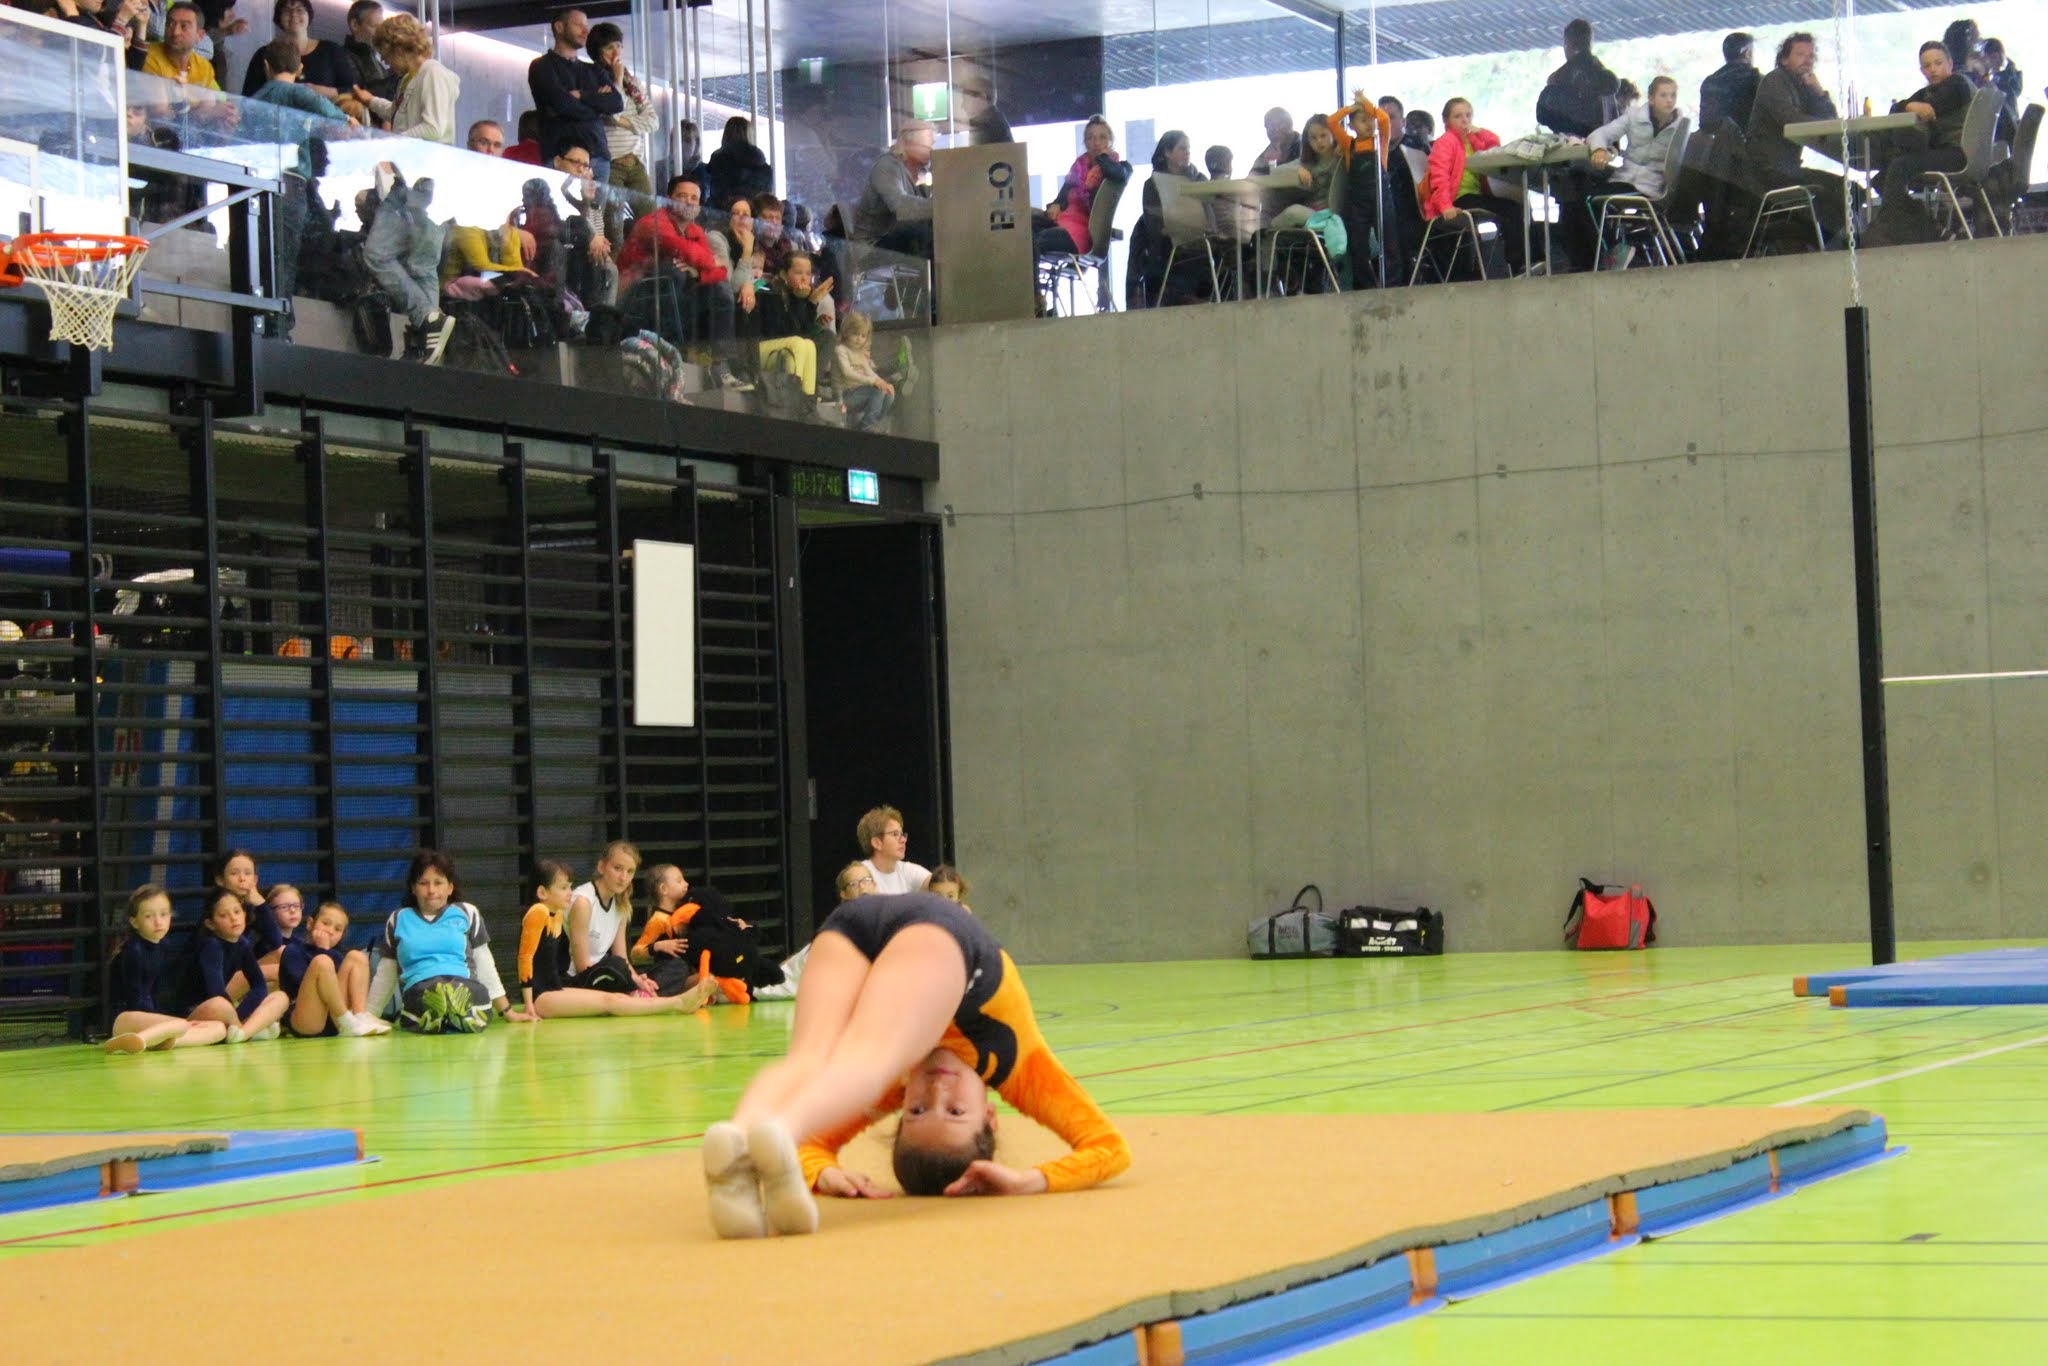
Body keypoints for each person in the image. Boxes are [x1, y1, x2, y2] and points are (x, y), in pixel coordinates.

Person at [700, 892, 1131, 1239]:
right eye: (956, 1111)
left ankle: (737, 1135)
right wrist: (1028, 1181)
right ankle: (780, 1130)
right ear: (990, 1115)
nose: (937, 1090)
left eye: (918, 1110)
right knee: (868, 1061)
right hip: (939, 937)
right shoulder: (1020, 1065)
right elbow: (1109, 1148)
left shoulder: (893, 1089)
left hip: (851, 925)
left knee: (808, 1060)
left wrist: (821, 1172)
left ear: (902, 1110)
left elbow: (816, 1145)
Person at [246, 38, 354, 336]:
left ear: (266, 66)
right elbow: (333, 116)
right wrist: (346, 119)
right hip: (291, 181)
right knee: (286, 252)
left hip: (257, 180)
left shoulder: (255, 100)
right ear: (300, 68)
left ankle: (266, 315)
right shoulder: (297, 93)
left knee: (265, 249)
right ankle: (279, 322)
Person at [365, 849, 536, 1032]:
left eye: (438, 883)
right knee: (433, 992)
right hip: (420, 989)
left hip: (464, 985)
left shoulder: (467, 913)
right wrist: (369, 1015)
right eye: (423, 883)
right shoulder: (398, 919)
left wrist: (508, 1011)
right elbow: (386, 973)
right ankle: (447, 1011)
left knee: (465, 991)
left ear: (450, 887)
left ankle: (452, 1011)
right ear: (413, 888)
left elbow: (485, 964)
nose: (431, 890)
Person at [521, 860, 715, 1017]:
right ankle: (677, 1002)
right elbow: (525, 959)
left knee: (614, 998)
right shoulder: (538, 913)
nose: (570, 893)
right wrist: (528, 1005)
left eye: (570, 887)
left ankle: (662, 999)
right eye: (564, 888)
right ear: (542, 892)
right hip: (542, 996)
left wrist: (634, 978)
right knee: (610, 1000)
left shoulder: (555, 916)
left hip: (555, 988)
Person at [617, 175, 749, 390]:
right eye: (682, 196)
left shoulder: (695, 231)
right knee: (672, 271)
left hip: (676, 302)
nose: (689, 202)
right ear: (668, 199)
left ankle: (720, 365)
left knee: (720, 288)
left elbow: (720, 272)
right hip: (638, 302)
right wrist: (704, 262)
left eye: (694, 198)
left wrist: (697, 272)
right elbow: (684, 250)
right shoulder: (651, 223)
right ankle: (676, 354)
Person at [1571, 74, 1687, 269]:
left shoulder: (1681, 127)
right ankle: (1608, 254)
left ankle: (1614, 253)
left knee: (1588, 200)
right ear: (1651, 99)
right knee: (1583, 193)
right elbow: (1601, 133)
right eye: (1663, 95)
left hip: (1652, 187)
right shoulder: (1634, 116)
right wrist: (1599, 149)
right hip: (1626, 180)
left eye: (1673, 95)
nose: (1669, 100)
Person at [1867, 41, 1978, 245]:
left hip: (1959, 154)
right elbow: (1896, 109)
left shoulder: (1958, 85)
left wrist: (1912, 106)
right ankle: (1930, 229)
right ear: (1921, 70)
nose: (1933, 69)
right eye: (1927, 66)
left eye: (1938, 63)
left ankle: (1904, 230)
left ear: (1950, 64)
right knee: (1882, 179)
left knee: (1898, 167)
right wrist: (1910, 105)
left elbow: (1932, 108)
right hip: (1947, 153)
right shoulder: (1930, 91)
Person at [1745, 31, 1849, 244]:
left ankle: (1814, 240)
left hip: (1789, 168)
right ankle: (1814, 241)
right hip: (1769, 170)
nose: (1807, 60)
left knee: (1850, 190)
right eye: (1800, 54)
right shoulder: (1775, 81)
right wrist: (1819, 120)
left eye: (1811, 56)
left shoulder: (1803, 85)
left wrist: (1819, 91)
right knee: (1840, 191)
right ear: (1784, 59)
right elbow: (1790, 120)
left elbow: (1830, 119)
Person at [103, 884, 231, 1053]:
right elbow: (136, 1000)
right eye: (149, 916)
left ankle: (160, 1041)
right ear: (134, 922)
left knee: (218, 1028)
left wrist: (171, 1022)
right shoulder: (132, 952)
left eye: (163, 914)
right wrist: (171, 1022)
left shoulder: (163, 946)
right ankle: (138, 1039)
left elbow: (156, 993)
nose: (158, 922)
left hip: (151, 1020)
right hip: (124, 1019)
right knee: (180, 1025)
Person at [362, 161, 455, 362]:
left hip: (421, 179)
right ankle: (426, 337)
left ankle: (426, 329)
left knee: (390, 257)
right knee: (416, 265)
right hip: (423, 184)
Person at [1423, 98, 1523, 275]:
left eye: (1468, 115)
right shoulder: (1445, 142)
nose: (1464, 120)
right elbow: (1439, 177)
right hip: (1457, 199)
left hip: (1473, 196)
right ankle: (1518, 265)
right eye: (1458, 116)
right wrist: (1445, 205)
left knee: (1515, 207)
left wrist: (1481, 132)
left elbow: (1494, 146)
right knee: (1511, 210)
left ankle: (1521, 262)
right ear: (1446, 121)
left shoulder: (1472, 140)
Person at [177, 889, 292, 1042]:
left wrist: (241, 1012)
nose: (233, 918)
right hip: (200, 1010)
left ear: (244, 913)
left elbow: (259, 985)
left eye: (237, 911)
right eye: (223, 915)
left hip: (226, 1010)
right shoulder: (211, 945)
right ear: (211, 924)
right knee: (221, 1005)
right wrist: (236, 1014)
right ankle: (248, 1031)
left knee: (281, 998)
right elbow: (216, 993)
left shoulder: (243, 944)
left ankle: (241, 1032)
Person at [529, 9, 620, 180]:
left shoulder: (594, 70)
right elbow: (562, 105)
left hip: (598, 157)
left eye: (586, 26)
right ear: (559, 27)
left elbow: (616, 103)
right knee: (562, 199)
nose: (586, 31)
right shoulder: (542, 66)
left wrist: (582, 96)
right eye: (579, 25)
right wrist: (597, 108)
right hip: (562, 157)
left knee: (597, 200)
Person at [281, 900, 390, 1037]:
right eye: (325, 923)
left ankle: (360, 1016)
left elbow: (339, 990)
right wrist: (323, 950)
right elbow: (301, 984)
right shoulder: (293, 951)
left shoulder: (336, 956)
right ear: (310, 923)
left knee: (356, 956)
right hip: (308, 1020)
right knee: (322, 962)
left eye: (337, 929)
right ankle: (347, 1020)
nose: (330, 931)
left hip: (334, 1021)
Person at [1265, 112, 1349, 287]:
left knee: (1290, 213)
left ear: (1334, 133)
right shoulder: (1306, 162)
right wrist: (1297, 170)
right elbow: (1274, 171)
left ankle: (1269, 235)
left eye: (1323, 135)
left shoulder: (1343, 157)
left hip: (1333, 215)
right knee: (1291, 213)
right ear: (1307, 141)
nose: (1319, 141)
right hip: (1314, 214)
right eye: (1313, 138)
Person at [566, 840, 655, 995]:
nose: (623, 877)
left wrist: (637, 979)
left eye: (630, 871)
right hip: (575, 980)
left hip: (603, 974)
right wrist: (625, 979)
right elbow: (582, 967)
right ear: (601, 867)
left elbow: (621, 955)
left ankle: (641, 993)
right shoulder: (583, 902)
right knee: (616, 966)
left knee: (674, 967)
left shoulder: (621, 905)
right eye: (617, 868)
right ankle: (633, 995)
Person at [353, 13, 458, 145]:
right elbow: (398, 113)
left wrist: (392, 142)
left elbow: (432, 129)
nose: (385, 62)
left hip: (427, 156)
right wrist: (371, 101)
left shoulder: (433, 74)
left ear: (398, 50)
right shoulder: (409, 78)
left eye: (386, 56)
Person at [1038, 115, 1131, 259]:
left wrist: (1103, 158)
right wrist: (1056, 205)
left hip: (1082, 232)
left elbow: (1118, 175)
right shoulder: (1078, 168)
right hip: (1061, 222)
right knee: (1024, 230)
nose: (1096, 143)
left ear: (1111, 141)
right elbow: (1060, 199)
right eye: (1090, 138)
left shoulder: (1121, 168)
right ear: (1085, 142)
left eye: (1102, 138)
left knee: (1035, 241)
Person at [755, 251, 836, 401]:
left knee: (827, 337)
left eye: (808, 273)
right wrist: (803, 301)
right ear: (784, 274)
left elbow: (803, 333)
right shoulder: (769, 292)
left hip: (792, 344)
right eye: (799, 272)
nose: (805, 278)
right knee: (799, 344)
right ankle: (794, 395)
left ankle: (809, 395)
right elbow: (782, 334)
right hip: (761, 350)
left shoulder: (798, 295)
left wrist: (813, 312)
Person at [586, 22, 655, 197]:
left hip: (636, 159)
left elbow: (653, 122)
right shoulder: (593, 80)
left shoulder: (632, 83)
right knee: (612, 212)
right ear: (598, 52)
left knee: (649, 210)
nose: (616, 53)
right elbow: (613, 110)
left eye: (618, 46)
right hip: (611, 161)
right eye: (610, 48)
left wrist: (620, 121)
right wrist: (617, 80)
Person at [853, 122, 936, 256]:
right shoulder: (887, 166)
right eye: (927, 146)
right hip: (872, 246)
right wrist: (939, 207)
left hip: (894, 241)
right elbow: (900, 206)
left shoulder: (920, 172)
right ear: (910, 143)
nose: (932, 150)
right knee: (922, 233)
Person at [241, 0, 350, 97]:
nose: (293, 14)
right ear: (279, 17)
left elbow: (351, 90)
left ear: (309, 15)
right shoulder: (265, 54)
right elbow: (248, 97)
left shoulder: (331, 50)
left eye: (300, 10)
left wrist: (322, 91)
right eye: (287, 11)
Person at [1537, 17, 1620, 138]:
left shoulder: (1558, 80)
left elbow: (1542, 116)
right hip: (1601, 145)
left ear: (1567, 44)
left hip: (1569, 146)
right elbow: (1614, 121)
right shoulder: (1608, 81)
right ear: (1590, 43)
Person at [832, 310, 895, 431]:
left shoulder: (859, 353)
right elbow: (847, 373)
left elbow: (870, 372)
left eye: (863, 336)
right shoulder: (840, 350)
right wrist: (873, 382)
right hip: (845, 396)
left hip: (859, 393)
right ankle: (867, 426)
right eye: (855, 334)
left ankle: (872, 423)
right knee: (878, 390)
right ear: (846, 332)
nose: (859, 339)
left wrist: (884, 384)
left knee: (888, 394)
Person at [858, 805, 930, 894]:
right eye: (895, 834)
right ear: (877, 843)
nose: (903, 840)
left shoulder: (907, 870)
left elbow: (939, 884)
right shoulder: (860, 873)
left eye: (902, 834)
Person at [709, 115, 774, 209]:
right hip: (753, 214)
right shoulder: (763, 167)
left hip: (723, 214)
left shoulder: (717, 162)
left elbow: (714, 195)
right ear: (750, 135)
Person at [1700, 31, 1759, 131]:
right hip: (1750, 139)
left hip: (1716, 139)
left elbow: (1705, 124)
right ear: (1747, 53)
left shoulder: (1710, 82)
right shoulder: (1756, 79)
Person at [341, 0, 396, 105]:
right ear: (355, 25)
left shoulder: (376, 55)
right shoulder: (343, 57)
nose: (380, 33)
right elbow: (358, 92)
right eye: (375, 26)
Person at [669, 118, 712, 203]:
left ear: (697, 144)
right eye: (679, 141)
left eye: (688, 141)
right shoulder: (661, 168)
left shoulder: (706, 171)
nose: (682, 145)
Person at [1250, 106, 1301, 176]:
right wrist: (1269, 164)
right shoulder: (1265, 156)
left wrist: (1277, 166)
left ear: (1290, 124)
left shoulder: (1308, 146)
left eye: (1279, 124)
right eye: (1269, 126)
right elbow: (1251, 179)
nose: (1275, 130)